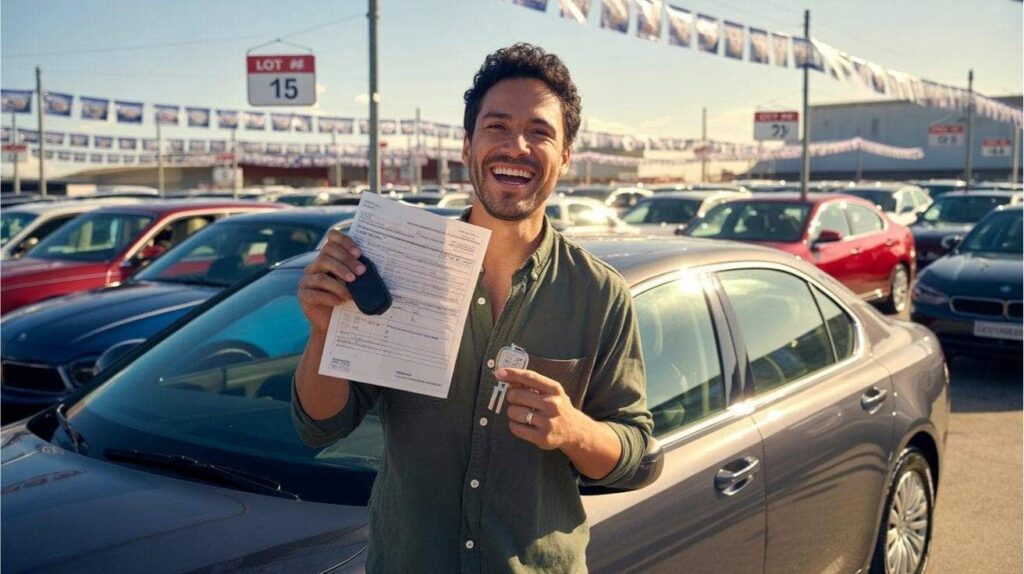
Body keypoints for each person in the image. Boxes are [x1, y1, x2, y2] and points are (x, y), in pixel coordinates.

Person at [292, 43, 652, 573]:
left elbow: (637, 452)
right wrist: (323, 331)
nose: (517, 146)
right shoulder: (398, 264)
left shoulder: (599, 294)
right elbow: (321, 426)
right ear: (467, 146)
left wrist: (573, 429)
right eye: (497, 127)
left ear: (566, 156)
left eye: (540, 131)